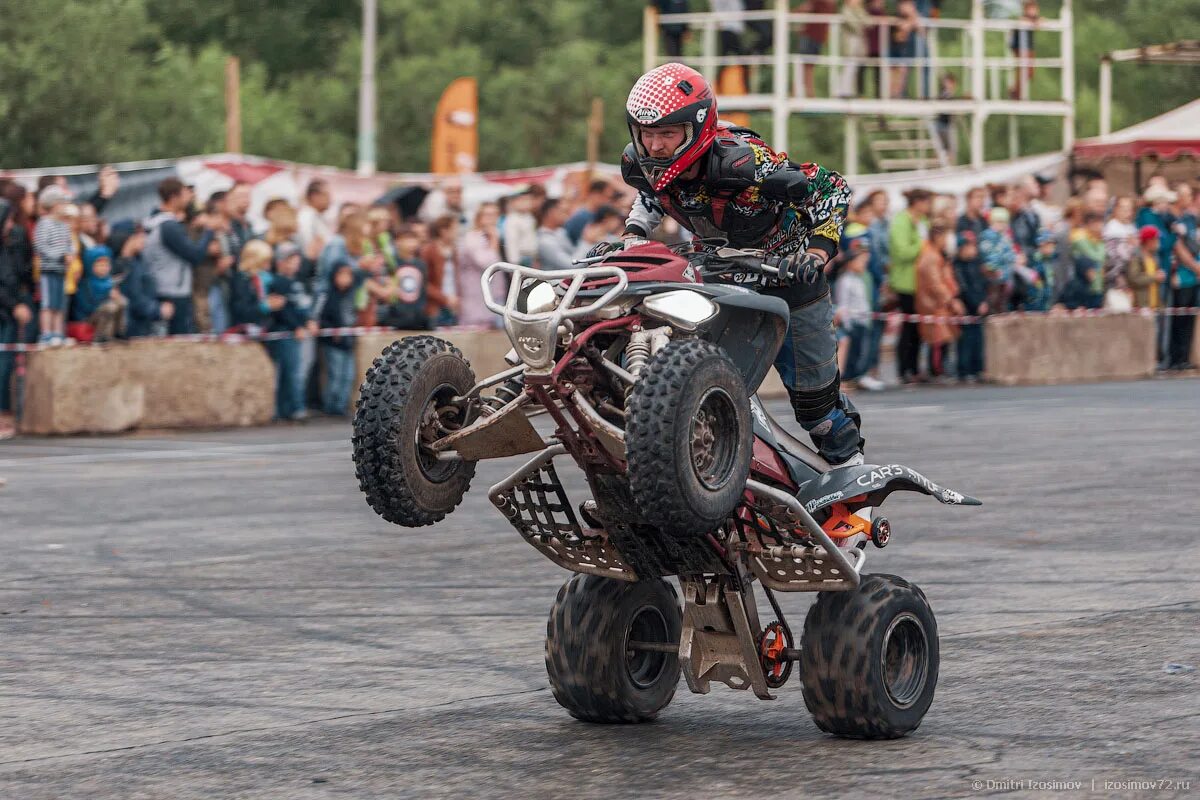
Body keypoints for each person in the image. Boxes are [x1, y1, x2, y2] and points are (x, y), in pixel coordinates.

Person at [614, 62, 861, 466]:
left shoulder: (747, 161)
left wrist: (815, 253)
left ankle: (852, 486)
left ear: (695, 129)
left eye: (666, 134)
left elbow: (831, 187)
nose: (654, 147)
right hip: (716, 282)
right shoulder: (645, 164)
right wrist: (633, 236)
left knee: (819, 412)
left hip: (786, 281)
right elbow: (652, 193)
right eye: (647, 134)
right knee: (686, 380)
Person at [142, 177, 219, 334]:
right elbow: (194, 255)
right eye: (185, 194)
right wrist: (208, 231)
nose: (189, 198)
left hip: (165, 287)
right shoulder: (168, 226)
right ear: (174, 198)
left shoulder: (155, 221)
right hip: (172, 292)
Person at [268, 241, 317, 420]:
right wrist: (295, 326)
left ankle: (286, 409)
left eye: (296, 259)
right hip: (286, 333)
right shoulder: (278, 282)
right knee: (291, 372)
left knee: (294, 371)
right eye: (290, 260)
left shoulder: (297, 283)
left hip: (297, 332)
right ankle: (295, 408)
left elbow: (300, 307)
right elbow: (282, 309)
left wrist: (309, 320)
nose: (295, 263)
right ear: (280, 262)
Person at [890, 188, 932, 383]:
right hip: (906, 282)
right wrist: (921, 245)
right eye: (926, 201)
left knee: (918, 328)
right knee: (908, 327)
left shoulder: (923, 221)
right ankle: (904, 369)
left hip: (922, 282)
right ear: (917, 202)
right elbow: (903, 252)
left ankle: (915, 368)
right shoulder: (901, 221)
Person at [915, 225, 962, 378]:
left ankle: (939, 368)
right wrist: (950, 300)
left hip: (939, 303)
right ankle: (936, 369)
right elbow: (935, 284)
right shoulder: (930, 257)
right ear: (937, 237)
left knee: (943, 337)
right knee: (938, 339)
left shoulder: (938, 255)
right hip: (933, 305)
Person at [315, 262, 361, 415]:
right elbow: (321, 318)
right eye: (342, 275)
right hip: (334, 343)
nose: (345, 279)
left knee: (348, 376)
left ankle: (341, 406)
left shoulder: (351, 295)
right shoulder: (328, 295)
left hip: (348, 342)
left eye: (348, 275)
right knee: (335, 376)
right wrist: (332, 330)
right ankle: (330, 406)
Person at [111, 221, 170, 338]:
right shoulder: (123, 266)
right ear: (129, 239)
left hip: (143, 325)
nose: (144, 239)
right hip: (133, 330)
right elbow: (133, 298)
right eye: (140, 236)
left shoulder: (137, 260)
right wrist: (158, 310)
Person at [33, 186, 77, 345]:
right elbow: (40, 246)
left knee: (59, 304)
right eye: (62, 203)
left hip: (62, 271)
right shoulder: (44, 224)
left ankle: (58, 334)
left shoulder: (64, 225)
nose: (65, 206)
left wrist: (71, 253)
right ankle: (47, 334)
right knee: (48, 303)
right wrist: (59, 255)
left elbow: (69, 243)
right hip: (48, 270)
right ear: (53, 205)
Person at [832, 222, 872, 385]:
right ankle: (848, 377)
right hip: (852, 321)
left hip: (862, 320)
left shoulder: (860, 279)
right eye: (860, 261)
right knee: (853, 351)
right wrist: (847, 323)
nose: (863, 264)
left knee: (861, 350)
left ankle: (856, 376)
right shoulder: (845, 281)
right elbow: (842, 303)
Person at [456, 202, 503, 328]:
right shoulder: (472, 238)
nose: (492, 219)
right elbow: (487, 264)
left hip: (496, 295)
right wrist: (494, 240)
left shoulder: (496, 236)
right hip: (477, 299)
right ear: (479, 217)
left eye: (495, 215)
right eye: (488, 215)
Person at [1166, 183, 1198, 369]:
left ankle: (1184, 357)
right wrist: (1195, 266)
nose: (1189, 198)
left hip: (1192, 275)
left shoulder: (1190, 218)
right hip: (1179, 272)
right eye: (1186, 195)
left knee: (1189, 316)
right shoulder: (1172, 219)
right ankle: (1174, 357)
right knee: (1177, 316)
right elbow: (1177, 247)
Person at [69, 246, 127, 342]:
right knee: (110, 307)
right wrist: (106, 295)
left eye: (106, 265)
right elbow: (86, 305)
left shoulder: (109, 281)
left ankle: (118, 332)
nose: (104, 268)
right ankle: (101, 336)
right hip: (89, 318)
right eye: (100, 265)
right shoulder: (85, 283)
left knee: (122, 302)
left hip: (104, 314)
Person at [952, 231, 987, 383]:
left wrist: (983, 301)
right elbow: (963, 287)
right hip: (966, 308)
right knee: (965, 340)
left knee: (978, 339)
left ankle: (977, 369)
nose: (973, 250)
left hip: (978, 307)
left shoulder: (976, 263)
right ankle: (963, 370)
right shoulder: (957, 265)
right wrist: (976, 303)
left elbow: (981, 284)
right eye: (969, 247)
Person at [420, 215, 461, 326]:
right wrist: (444, 298)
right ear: (444, 231)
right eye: (454, 229)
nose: (457, 232)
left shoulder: (454, 250)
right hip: (436, 306)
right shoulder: (429, 251)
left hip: (452, 304)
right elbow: (424, 282)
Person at [978, 205, 1019, 313]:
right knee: (994, 298)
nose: (1002, 225)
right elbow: (989, 253)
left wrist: (1013, 258)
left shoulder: (1004, 237)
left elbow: (1010, 251)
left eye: (1004, 222)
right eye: (999, 222)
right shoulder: (988, 236)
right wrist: (993, 266)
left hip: (1005, 274)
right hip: (994, 275)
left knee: (1003, 299)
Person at [1126, 225, 1166, 310]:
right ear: (1149, 241)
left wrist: (1160, 277)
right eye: (1156, 239)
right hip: (1141, 306)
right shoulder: (1136, 257)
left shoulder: (1155, 257)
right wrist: (1155, 277)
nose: (1158, 242)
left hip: (1154, 306)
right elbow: (1134, 279)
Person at [563, 180, 613, 246]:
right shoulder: (581, 217)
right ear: (595, 194)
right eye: (606, 196)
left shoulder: (598, 214)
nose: (608, 201)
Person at [297, 179, 335, 262]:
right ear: (314, 196)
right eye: (326, 195)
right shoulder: (306, 216)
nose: (330, 200)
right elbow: (307, 246)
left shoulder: (317, 217)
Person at [838, 0, 870, 98]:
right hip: (850, 45)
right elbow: (854, 25)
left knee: (854, 68)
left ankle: (849, 91)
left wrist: (859, 14)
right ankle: (843, 91)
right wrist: (861, 22)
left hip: (858, 45)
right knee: (848, 67)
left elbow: (868, 22)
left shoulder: (860, 10)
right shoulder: (845, 10)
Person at [1009, 0, 1039, 100]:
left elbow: (1039, 23)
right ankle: (1016, 94)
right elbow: (1022, 21)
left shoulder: (1033, 19)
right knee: (1024, 71)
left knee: (1028, 73)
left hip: (1027, 48)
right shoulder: (1023, 19)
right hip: (1021, 48)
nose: (1035, 11)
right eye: (1032, 9)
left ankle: (1015, 92)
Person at [535, 198, 575, 270]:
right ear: (551, 212)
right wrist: (587, 242)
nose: (567, 215)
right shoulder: (544, 241)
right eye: (563, 211)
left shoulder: (561, 232)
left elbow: (574, 254)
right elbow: (571, 265)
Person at [502, 191, 538, 267]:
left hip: (531, 256)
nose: (527, 202)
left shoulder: (529, 217)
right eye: (523, 200)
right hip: (521, 259)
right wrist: (514, 264)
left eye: (528, 199)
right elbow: (512, 242)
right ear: (513, 202)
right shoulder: (512, 219)